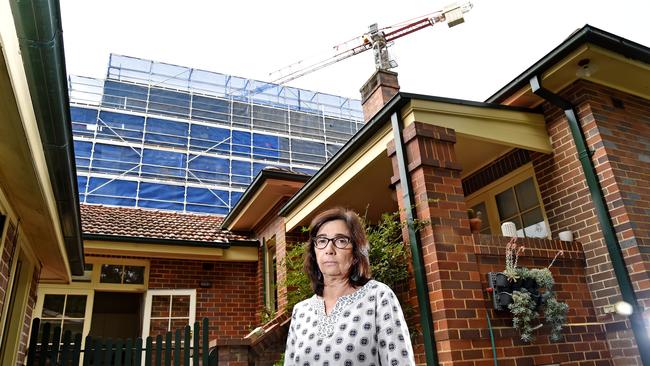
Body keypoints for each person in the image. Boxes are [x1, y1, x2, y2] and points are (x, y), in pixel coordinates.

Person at [284, 208, 415, 366]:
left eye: (341, 241)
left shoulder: (378, 297)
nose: (329, 250)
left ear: (355, 253)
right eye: (322, 240)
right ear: (314, 251)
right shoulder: (301, 311)